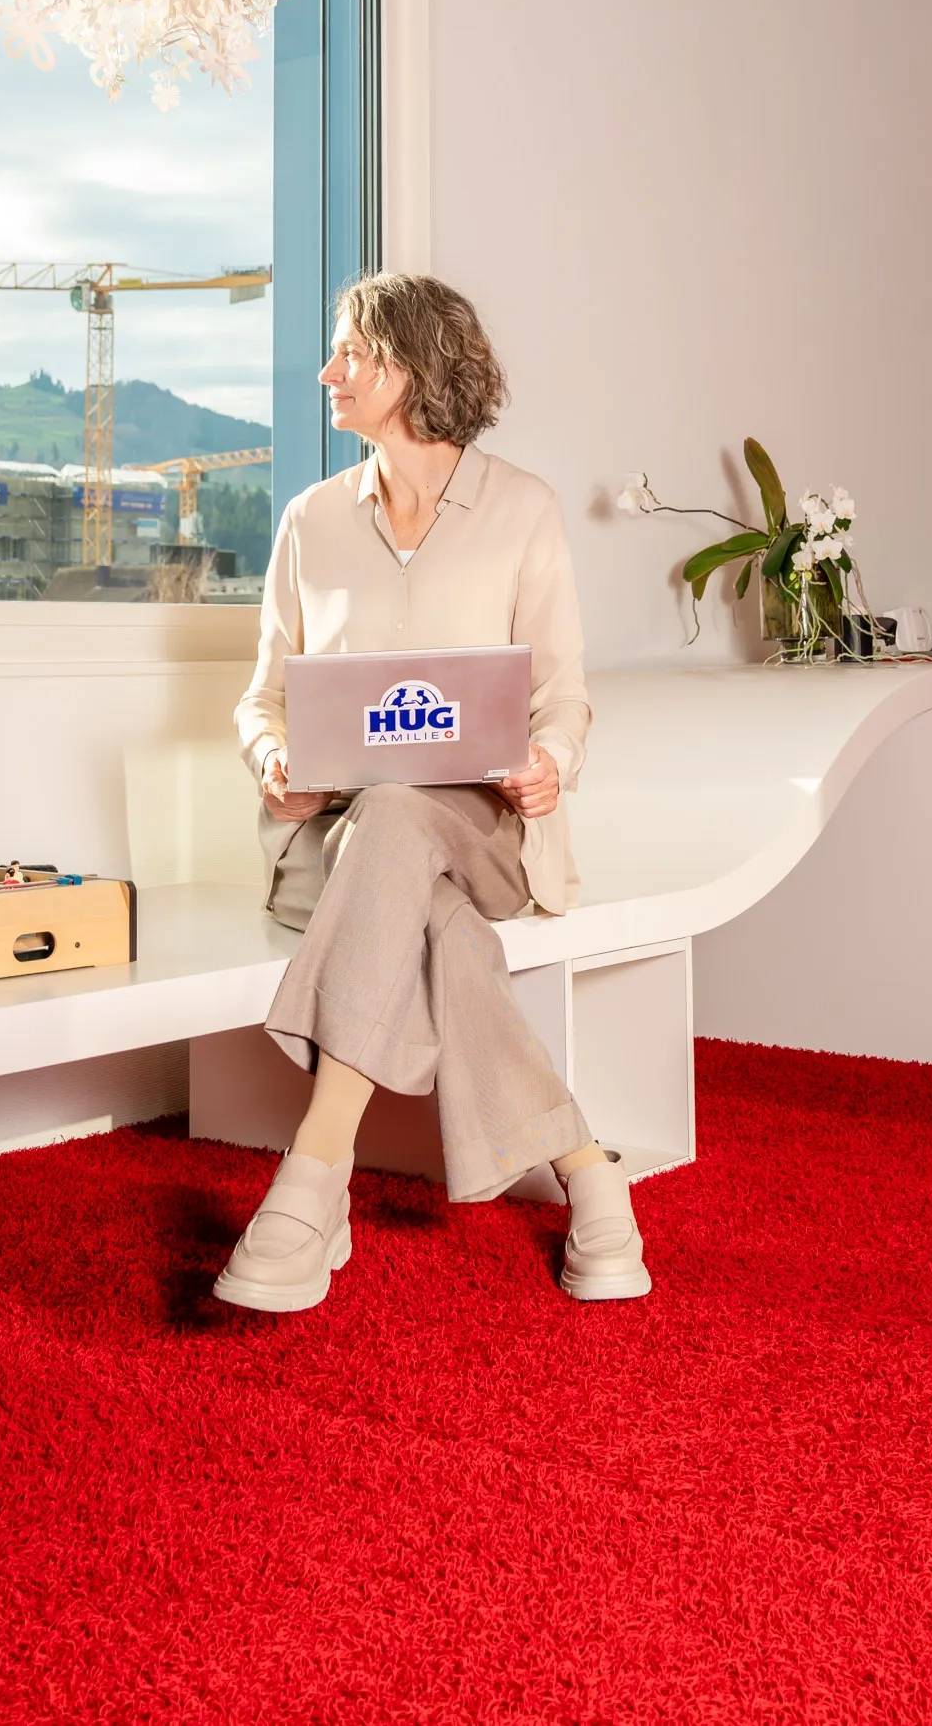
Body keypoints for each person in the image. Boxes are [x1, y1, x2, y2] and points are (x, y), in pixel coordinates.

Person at [216, 272, 650, 1313]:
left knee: (412, 817)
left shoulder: (524, 510)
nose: (329, 373)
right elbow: (261, 698)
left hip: (489, 831)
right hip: (342, 841)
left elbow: (563, 699)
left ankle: (317, 1168)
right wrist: (271, 760)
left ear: (411, 367)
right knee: (432, 907)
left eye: (350, 355)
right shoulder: (311, 520)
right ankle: (590, 1172)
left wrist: (549, 765)